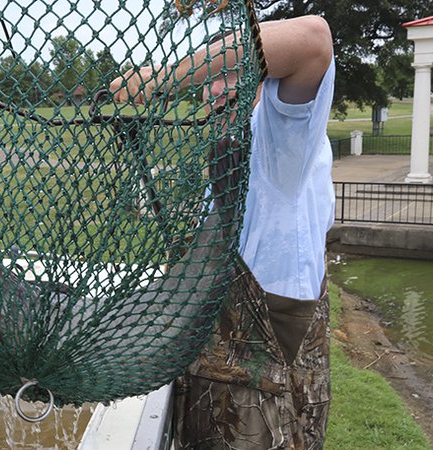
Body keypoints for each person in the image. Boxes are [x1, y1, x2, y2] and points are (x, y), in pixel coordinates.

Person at [110, 15, 335, 449]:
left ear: (261, 75)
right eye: (211, 81)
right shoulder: (231, 149)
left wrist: (158, 78)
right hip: (215, 389)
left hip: (263, 391)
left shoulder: (281, 137)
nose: (216, 90)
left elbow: (313, 39)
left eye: (230, 72)